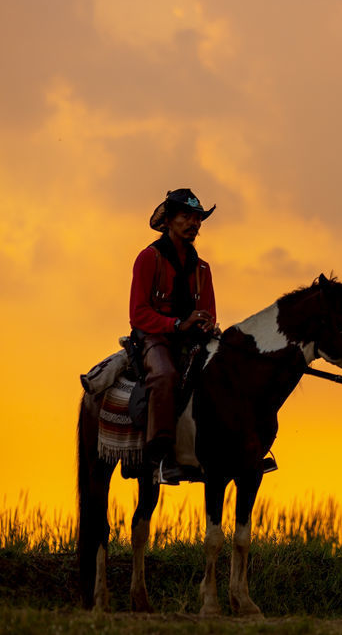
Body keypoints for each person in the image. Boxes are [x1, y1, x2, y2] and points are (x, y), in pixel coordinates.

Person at [130, 188, 217, 485]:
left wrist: (206, 324)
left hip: (191, 338)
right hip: (155, 337)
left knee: (225, 370)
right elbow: (138, 313)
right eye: (186, 216)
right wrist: (179, 324)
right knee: (165, 375)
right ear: (168, 220)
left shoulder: (203, 269)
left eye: (197, 218)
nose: (193, 223)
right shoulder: (148, 258)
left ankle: (230, 451)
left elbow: (209, 312)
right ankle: (161, 457)